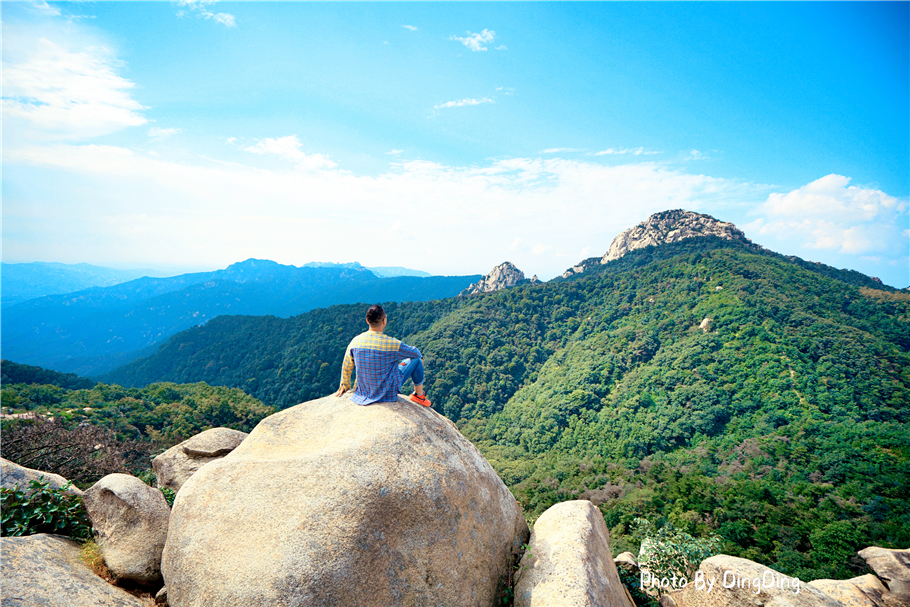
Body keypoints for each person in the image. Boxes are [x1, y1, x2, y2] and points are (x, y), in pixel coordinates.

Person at [334, 304, 432, 407]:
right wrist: (420, 358)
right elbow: (415, 353)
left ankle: (418, 395)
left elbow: (347, 364)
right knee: (417, 360)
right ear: (384, 321)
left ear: (367, 321)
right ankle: (419, 395)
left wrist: (344, 385)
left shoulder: (355, 341)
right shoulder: (392, 344)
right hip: (388, 392)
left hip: (363, 391)